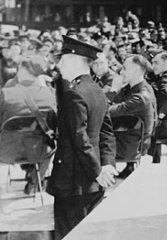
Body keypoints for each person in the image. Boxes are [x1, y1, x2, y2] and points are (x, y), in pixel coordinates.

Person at [47, 36, 117, 240]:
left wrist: (98, 172)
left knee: (69, 234)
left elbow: (80, 139)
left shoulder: (73, 94)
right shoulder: (96, 90)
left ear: (74, 61)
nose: (58, 64)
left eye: (62, 59)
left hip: (72, 182)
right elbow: (107, 133)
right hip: (93, 183)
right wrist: (107, 166)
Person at [0, 55, 57, 194]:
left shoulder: (5, 93)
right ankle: (35, 180)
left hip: (6, 152)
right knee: (50, 143)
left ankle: (30, 173)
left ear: (23, 71)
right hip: (38, 151)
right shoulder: (49, 94)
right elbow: (54, 127)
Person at [108, 54, 156, 178]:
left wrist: (113, 91)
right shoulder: (137, 88)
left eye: (124, 68)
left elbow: (108, 110)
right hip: (132, 137)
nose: (121, 71)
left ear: (135, 71)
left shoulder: (141, 96)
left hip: (134, 145)